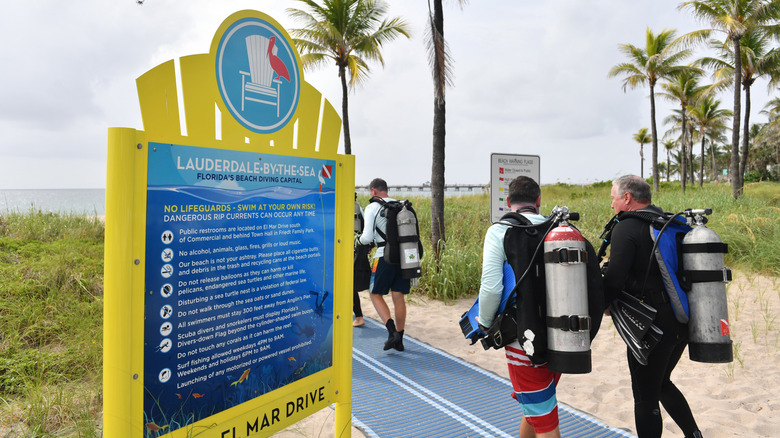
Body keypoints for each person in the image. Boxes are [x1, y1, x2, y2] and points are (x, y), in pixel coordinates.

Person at [602, 175, 702, 438]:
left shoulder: (626, 227)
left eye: (613, 198)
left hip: (651, 325)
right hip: (683, 319)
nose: (612, 204)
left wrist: (599, 305)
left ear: (627, 198)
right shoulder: (668, 223)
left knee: (645, 396)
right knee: (660, 383)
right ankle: (694, 435)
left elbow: (614, 280)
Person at [477, 176, 562, 438]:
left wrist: (484, 323)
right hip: (562, 333)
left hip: (524, 338)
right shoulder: (557, 228)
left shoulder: (500, 231)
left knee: (544, 418)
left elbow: (491, 288)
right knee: (537, 405)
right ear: (538, 201)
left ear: (507, 202)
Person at [356, 178, 409, 351]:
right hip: (403, 256)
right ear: (386, 190)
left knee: (374, 293)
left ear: (373, 191)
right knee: (398, 296)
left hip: (383, 256)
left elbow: (367, 238)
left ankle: (391, 331)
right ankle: (399, 339)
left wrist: (357, 239)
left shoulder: (373, 207)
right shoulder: (400, 205)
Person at [353, 194, 372, 327]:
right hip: (357, 249)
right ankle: (358, 316)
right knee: (351, 284)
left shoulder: (338, 206)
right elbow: (367, 229)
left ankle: (359, 317)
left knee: (349, 286)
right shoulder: (358, 207)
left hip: (348, 250)